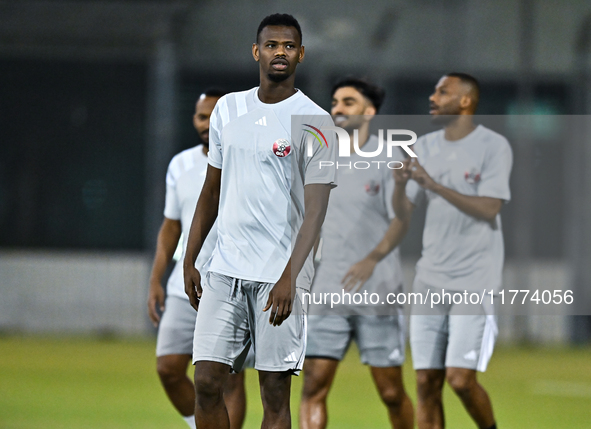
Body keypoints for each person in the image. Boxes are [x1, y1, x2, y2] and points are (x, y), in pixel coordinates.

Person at [183, 13, 337, 429]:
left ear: (301, 54)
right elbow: (211, 191)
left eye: (289, 46)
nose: (280, 52)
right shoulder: (228, 109)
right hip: (224, 270)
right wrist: (190, 257)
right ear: (257, 51)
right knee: (206, 382)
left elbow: (317, 210)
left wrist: (291, 275)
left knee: (273, 393)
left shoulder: (317, 121)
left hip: (278, 275)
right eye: (272, 45)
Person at [392, 73, 512, 429]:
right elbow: (402, 214)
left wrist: (433, 184)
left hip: (475, 278)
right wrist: (400, 187)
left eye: (442, 92)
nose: (433, 96)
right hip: (431, 278)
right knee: (426, 383)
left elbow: (490, 208)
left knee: (460, 379)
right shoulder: (423, 146)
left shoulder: (493, 146)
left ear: (464, 101)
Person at [299, 78, 414, 429]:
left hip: (377, 290)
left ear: (369, 111)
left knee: (391, 392)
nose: (338, 108)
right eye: (335, 101)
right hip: (326, 291)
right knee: (313, 387)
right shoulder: (317, 155)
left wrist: (372, 259)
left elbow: (402, 218)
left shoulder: (390, 156)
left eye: (348, 102)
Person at [147, 89, 247, 429]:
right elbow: (171, 226)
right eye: (202, 116)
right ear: (194, 120)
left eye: (216, 115)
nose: (208, 123)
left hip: (231, 282)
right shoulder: (180, 164)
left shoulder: (245, 160)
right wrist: (156, 278)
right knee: (168, 368)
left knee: (229, 378)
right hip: (183, 284)